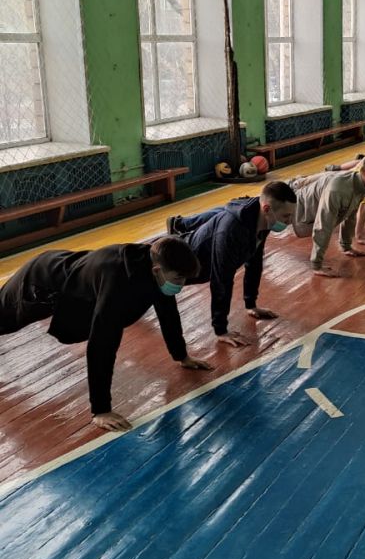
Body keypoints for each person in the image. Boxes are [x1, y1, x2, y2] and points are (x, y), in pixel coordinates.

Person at [0, 237, 206, 432]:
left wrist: (182, 356)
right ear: (157, 270)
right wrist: (101, 410)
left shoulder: (155, 265)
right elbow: (102, 344)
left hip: (67, 279)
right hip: (38, 282)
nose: (181, 284)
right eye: (178, 278)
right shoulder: (119, 282)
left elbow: (168, 312)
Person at [166, 181, 297, 347]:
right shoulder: (231, 231)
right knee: (144, 289)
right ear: (266, 209)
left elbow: (254, 261)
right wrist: (221, 330)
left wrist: (251, 304)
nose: (290, 221)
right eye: (286, 216)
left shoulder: (264, 219)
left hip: (203, 263)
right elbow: (221, 280)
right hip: (180, 264)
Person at [289, 152, 365, 276]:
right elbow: (323, 225)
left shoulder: (361, 185)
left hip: (304, 201)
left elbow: (350, 216)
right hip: (291, 205)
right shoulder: (339, 190)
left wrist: (347, 247)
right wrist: (317, 265)